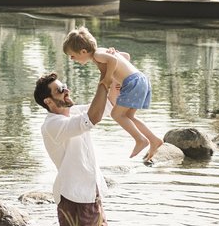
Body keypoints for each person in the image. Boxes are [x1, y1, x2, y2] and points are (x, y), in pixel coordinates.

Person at [33, 68, 120, 226]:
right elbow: (93, 117)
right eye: (61, 90)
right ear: (49, 101)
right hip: (73, 200)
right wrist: (105, 77)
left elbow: (110, 104)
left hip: (93, 197)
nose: (67, 90)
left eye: (65, 86)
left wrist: (114, 68)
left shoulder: (74, 113)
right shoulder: (52, 125)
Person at [62, 26, 162, 164]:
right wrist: (117, 74)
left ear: (83, 51)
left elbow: (113, 61)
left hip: (132, 83)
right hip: (141, 79)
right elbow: (125, 57)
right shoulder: (102, 52)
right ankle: (154, 140)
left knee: (116, 115)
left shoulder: (97, 55)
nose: (72, 59)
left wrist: (108, 78)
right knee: (129, 116)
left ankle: (140, 140)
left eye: (72, 55)